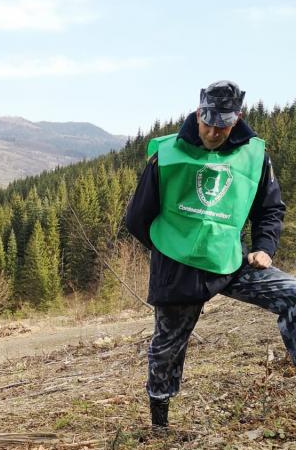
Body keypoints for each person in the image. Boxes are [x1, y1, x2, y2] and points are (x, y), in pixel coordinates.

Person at [125, 80, 295, 427]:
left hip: (231, 261)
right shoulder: (167, 154)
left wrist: (264, 248)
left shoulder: (254, 155)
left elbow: (270, 208)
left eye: (222, 125)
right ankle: (159, 426)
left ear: (237, 119)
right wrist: (168, 252)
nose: (213, 132)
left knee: (293, 295)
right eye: (207, 122)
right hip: (179, 266)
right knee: (167, 348)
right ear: (198, 112)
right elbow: (137, 217)